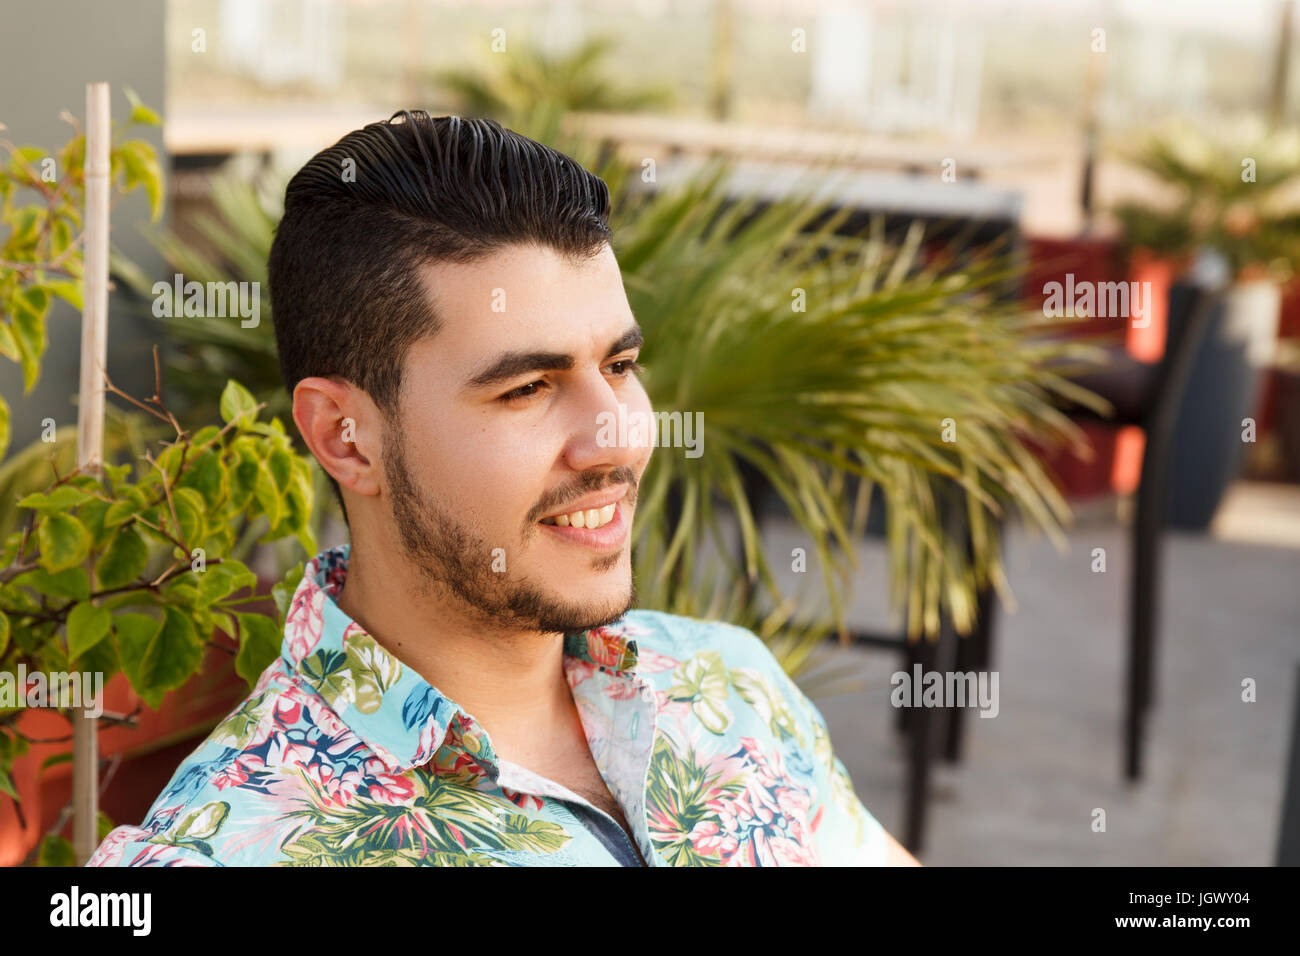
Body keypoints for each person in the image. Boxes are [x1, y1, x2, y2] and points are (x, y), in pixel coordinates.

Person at [87, 112, 919, 867]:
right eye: (526, 388)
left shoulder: (730, 687)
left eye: (620, 367)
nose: (619, 436)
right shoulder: (230, 850)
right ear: (347, 437)